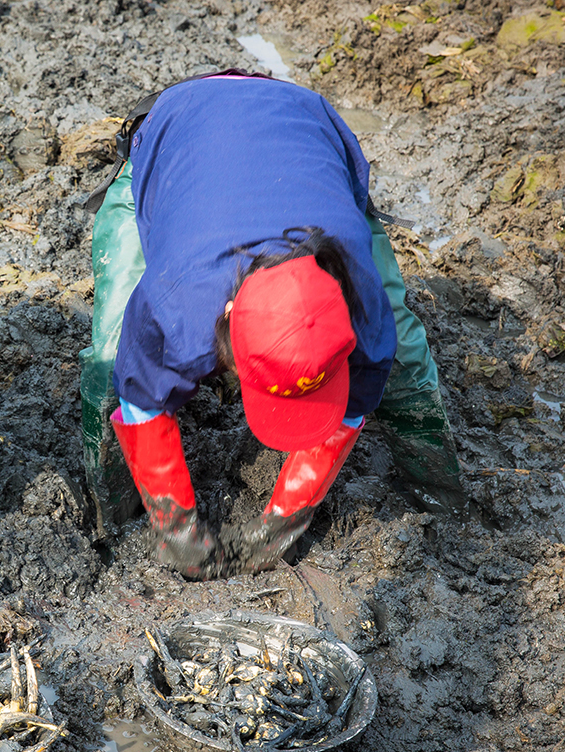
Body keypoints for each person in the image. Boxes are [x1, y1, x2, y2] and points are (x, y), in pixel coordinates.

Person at [79, 72, 464, 579]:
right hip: (175, 134)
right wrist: (178, 529)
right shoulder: (175, 305)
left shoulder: (363, 304)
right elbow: (141, 398)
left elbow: (349, 410)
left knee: (404, 358)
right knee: (113, 359)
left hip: (302, 126)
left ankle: (442, 501)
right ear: (227, 328)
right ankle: (111, 517)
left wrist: (284, 520)